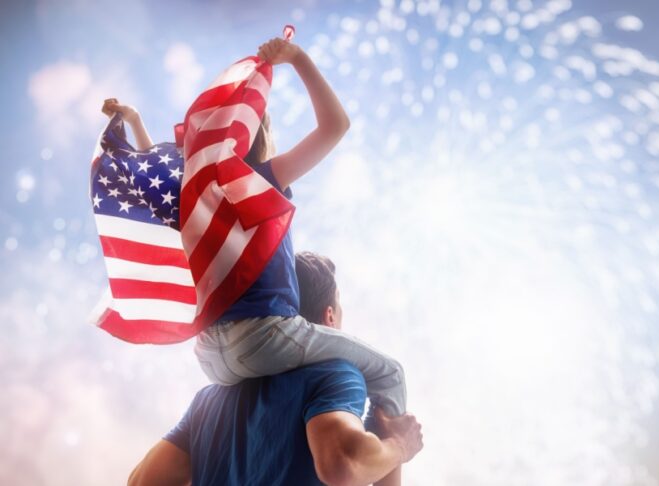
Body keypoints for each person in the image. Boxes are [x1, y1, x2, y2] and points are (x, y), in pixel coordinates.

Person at [102, 35, 407, 418]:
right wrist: (297, 59)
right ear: (258, 132)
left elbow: (160, 177)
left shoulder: (195, 203)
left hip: (210, 357)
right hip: (262, 339)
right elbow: (336, 126)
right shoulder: (260, 180)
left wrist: (135, 122)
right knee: (391, 374)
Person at [127, 252, 423, 486]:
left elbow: (141, 482)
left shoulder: (208, 401)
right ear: (329, 317)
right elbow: (342, 464)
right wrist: (399, 446)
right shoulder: (335, 375)